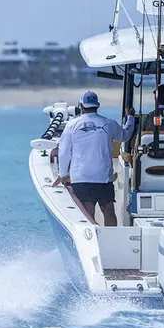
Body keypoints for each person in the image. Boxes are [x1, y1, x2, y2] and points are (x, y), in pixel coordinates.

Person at [52, 90, 135, 226]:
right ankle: (111, 238)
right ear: (98, 105)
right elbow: (125, 135)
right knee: (108, 211)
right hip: (103, 177)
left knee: (88, 212)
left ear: (81, 105)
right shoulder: (109, 123)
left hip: (81, 177)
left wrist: (62, 174)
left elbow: (64, 152)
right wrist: (130, 118)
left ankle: (91, 242)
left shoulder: (71, 125)